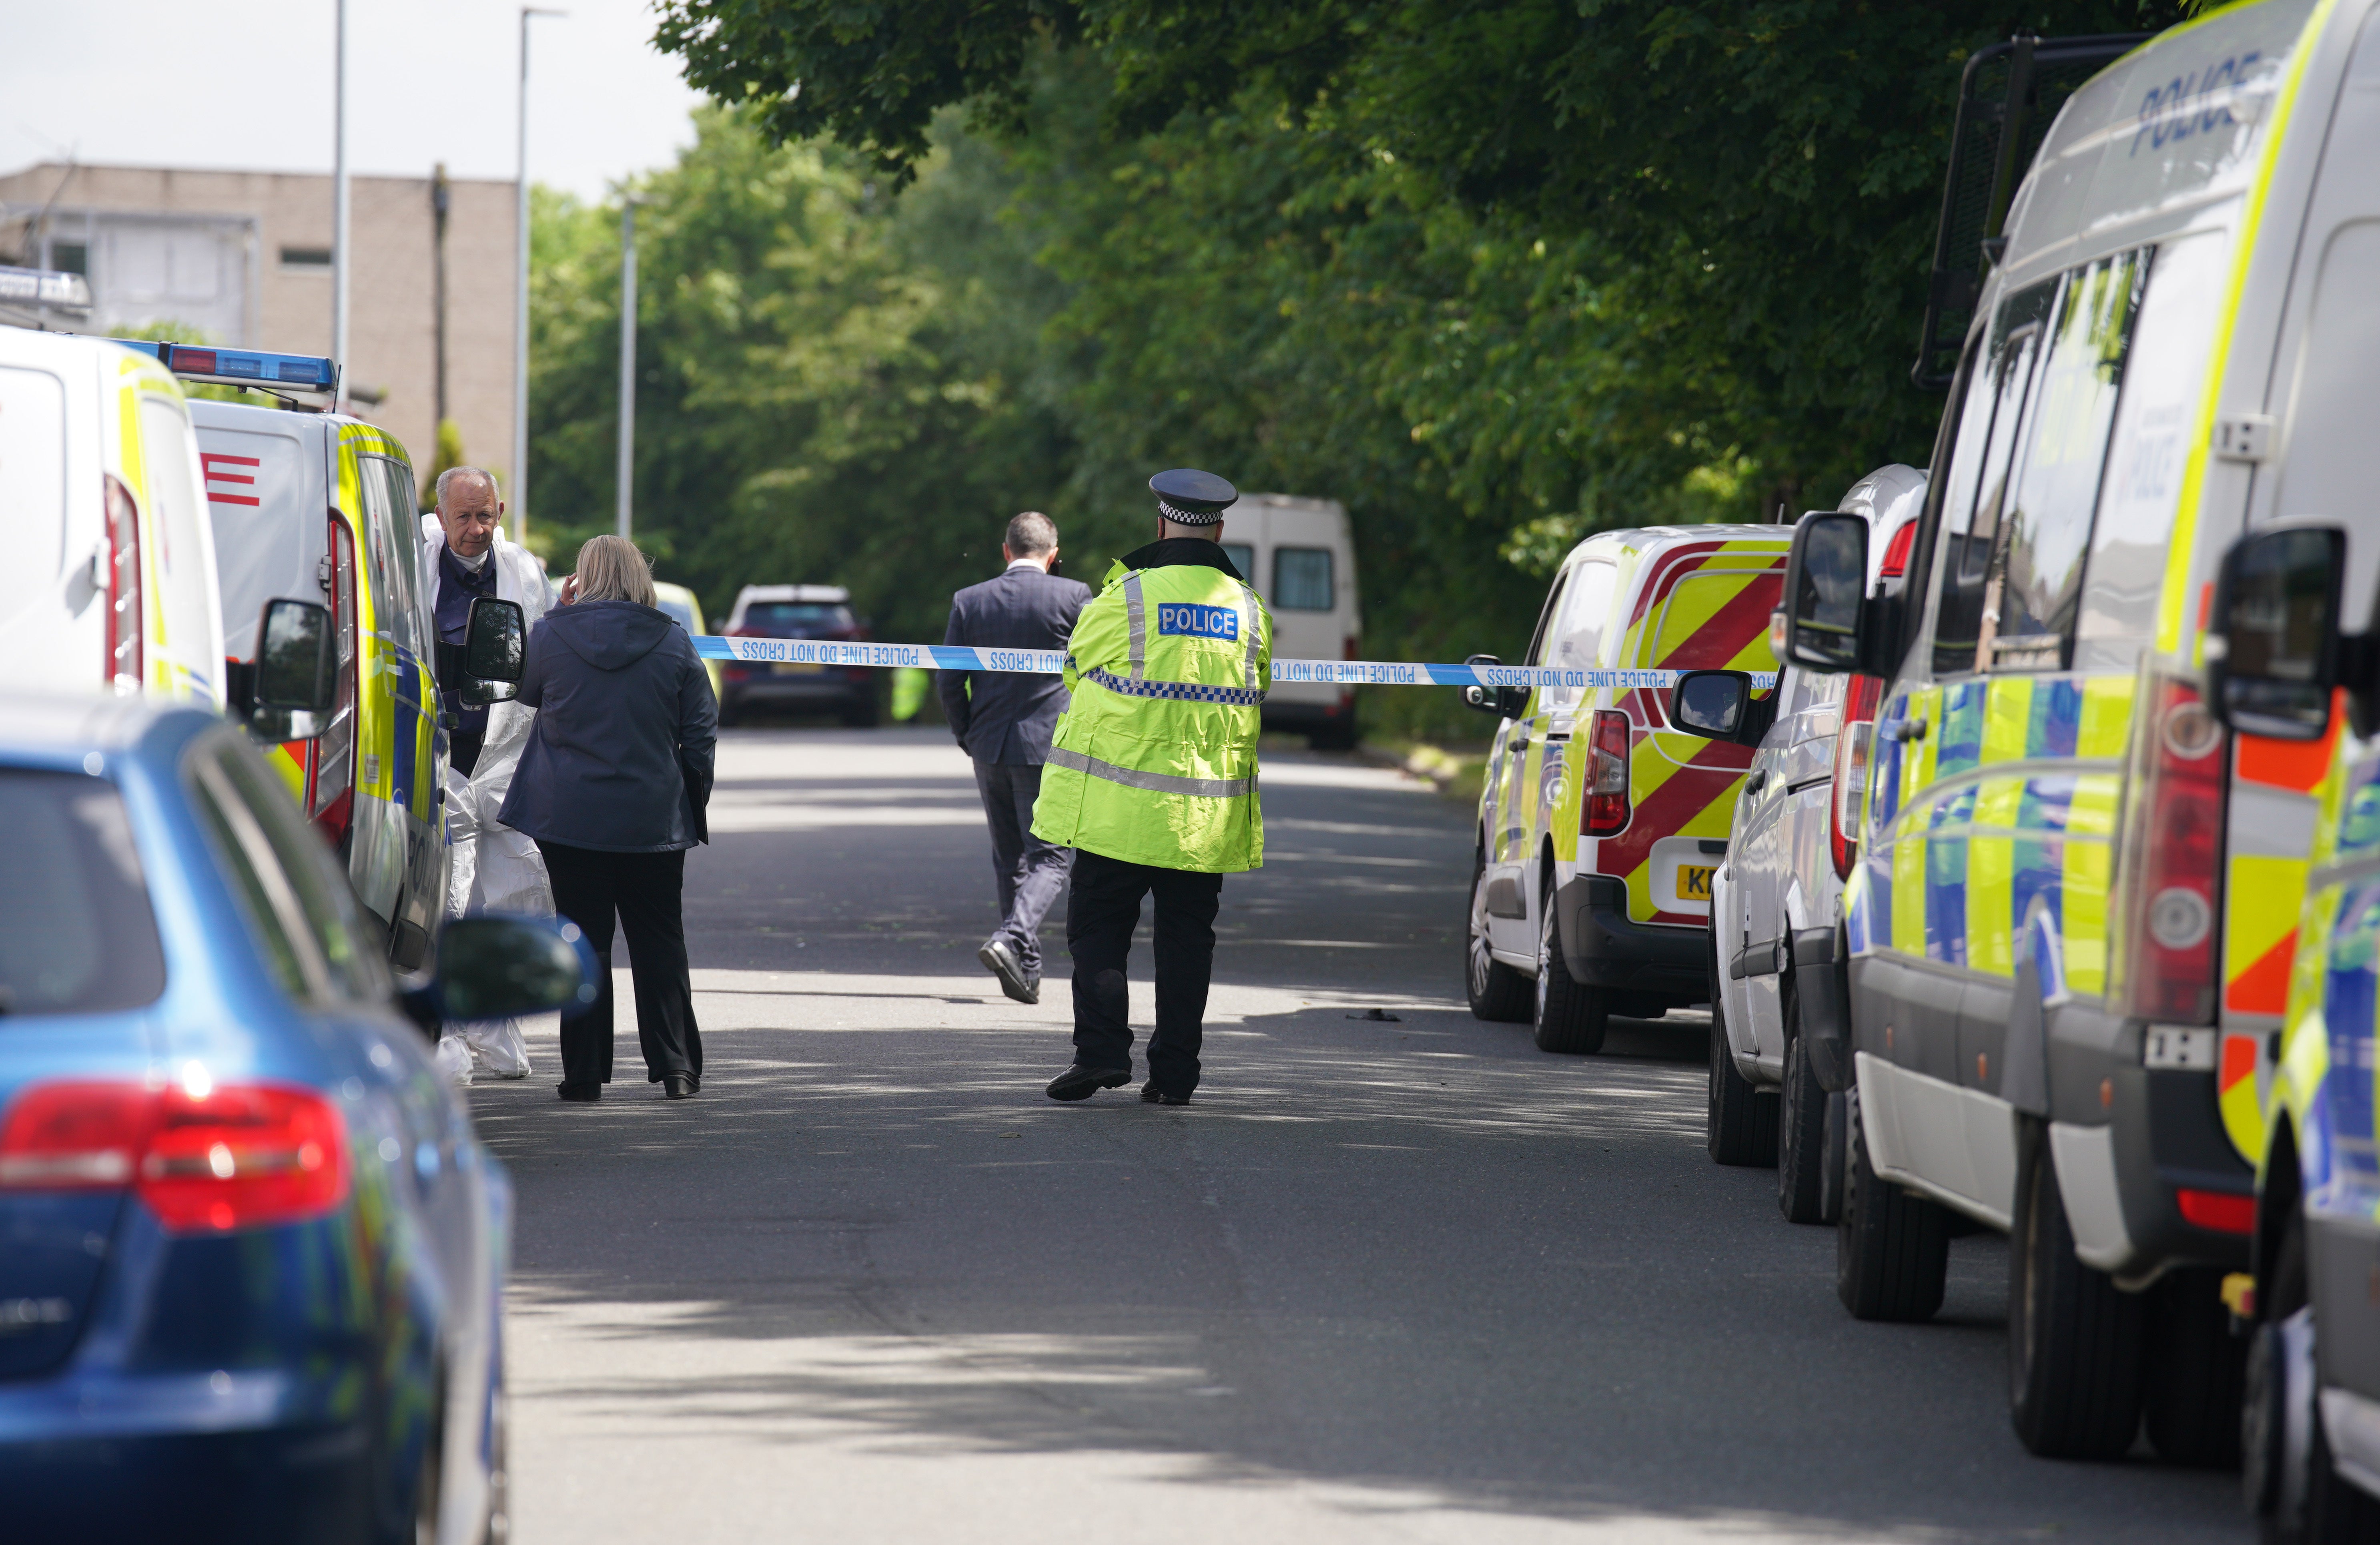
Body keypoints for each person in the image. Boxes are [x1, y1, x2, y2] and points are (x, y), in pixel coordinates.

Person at [1029, 469, 1272, 1106]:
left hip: (1118, 809)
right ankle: (1174, 1076)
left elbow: (1077, 669)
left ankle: (1101, 1053)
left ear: (1161, 524)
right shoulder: (1247, 609)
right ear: (1218, 529)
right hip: (1204, 820)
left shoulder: (1126, 597)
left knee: (1099, 932)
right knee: (1187, 945)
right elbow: (1256, 690)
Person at [497, 536, 718, 1102]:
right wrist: (692, 798)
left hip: (569, 818)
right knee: (659, 939)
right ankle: (677, 1068)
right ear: (641, 578)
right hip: (654, 819)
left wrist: (559, 613)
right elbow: (699, 731)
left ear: (582, 577)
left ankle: (585, 1073)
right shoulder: (673, 641)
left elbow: (525, 694)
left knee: (583, 939)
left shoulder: (552, 633)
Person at [419, 468, 553, 1080]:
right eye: (463, 518)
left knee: (514, 896)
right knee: (445, 897)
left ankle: (492, 1021)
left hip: (503, 756)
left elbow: (547, 652)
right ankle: (448, 1030)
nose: (475, 531)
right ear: (440, 515)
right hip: (438, 752)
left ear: (501, 509)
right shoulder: (414, 567)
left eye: (486, 517)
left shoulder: (525, 572)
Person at [939, 511, 1094, 1005]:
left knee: (1010, 858)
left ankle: (1024, 971)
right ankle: (1013, 940)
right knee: (1051, 856)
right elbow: (1095, 671)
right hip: (1047, 747)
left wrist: (968, 734)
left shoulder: (970, 600)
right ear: (1053, 554)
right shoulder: (1073, 597)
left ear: (1006, 550)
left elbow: (948, 679)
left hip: (988, 747)